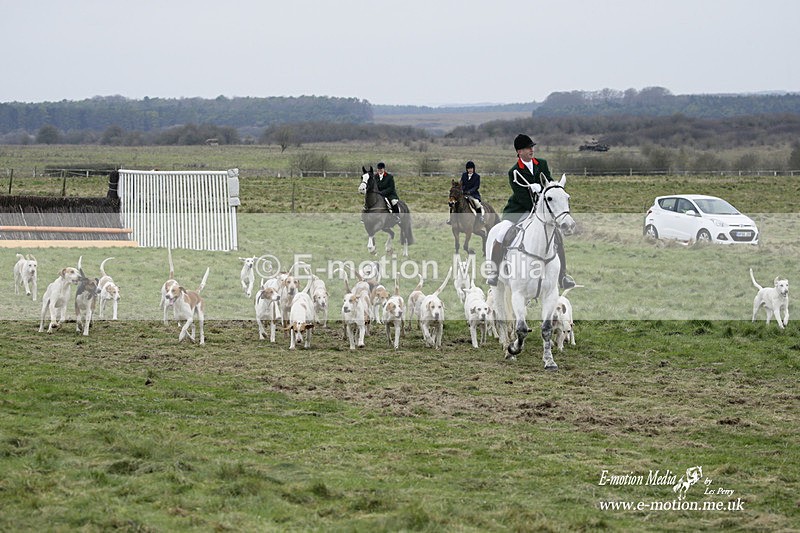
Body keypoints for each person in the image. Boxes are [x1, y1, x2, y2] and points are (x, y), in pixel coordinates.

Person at [486, 134, 575, 289]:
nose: (531, 150)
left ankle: (563, 276)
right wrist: (535, 201)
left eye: (532, 147)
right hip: (518, 210)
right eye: (528, 148)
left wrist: (543, 192)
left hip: (543, 210)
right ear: (519, 151)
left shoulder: (542, 164)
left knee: (557, 236)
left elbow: (550, 186)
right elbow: (521, 196)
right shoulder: (514, 171)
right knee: (501, 234)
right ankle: (494, 273)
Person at [448, 161, 485, 225]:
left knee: (477, 203)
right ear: (467, 169)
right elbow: (462, 184)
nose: (470, 170)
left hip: (473, 194)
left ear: (473, 169)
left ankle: (480, 218)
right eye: (468, 168)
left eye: (471, 168)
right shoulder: (464, 175)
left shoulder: (477, 176)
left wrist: (470, 191)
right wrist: (462, 190)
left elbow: (476, 186)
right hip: (464, 194)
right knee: (453, 204)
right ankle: (451, 219)